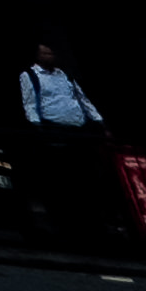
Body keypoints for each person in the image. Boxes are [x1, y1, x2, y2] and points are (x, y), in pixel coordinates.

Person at [18, 39, 111, 237]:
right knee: (62, 178)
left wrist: (98, 120)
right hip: (54, 129)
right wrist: (37, 127)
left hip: (78, 128)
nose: (49, 57)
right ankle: (66, 224)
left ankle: (93, 222)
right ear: (37, 56)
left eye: (51, 53)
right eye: (45, 54)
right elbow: (30, 103)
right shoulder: (30, 75)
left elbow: (81, 97)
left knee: (86, 176)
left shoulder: (64, 74)